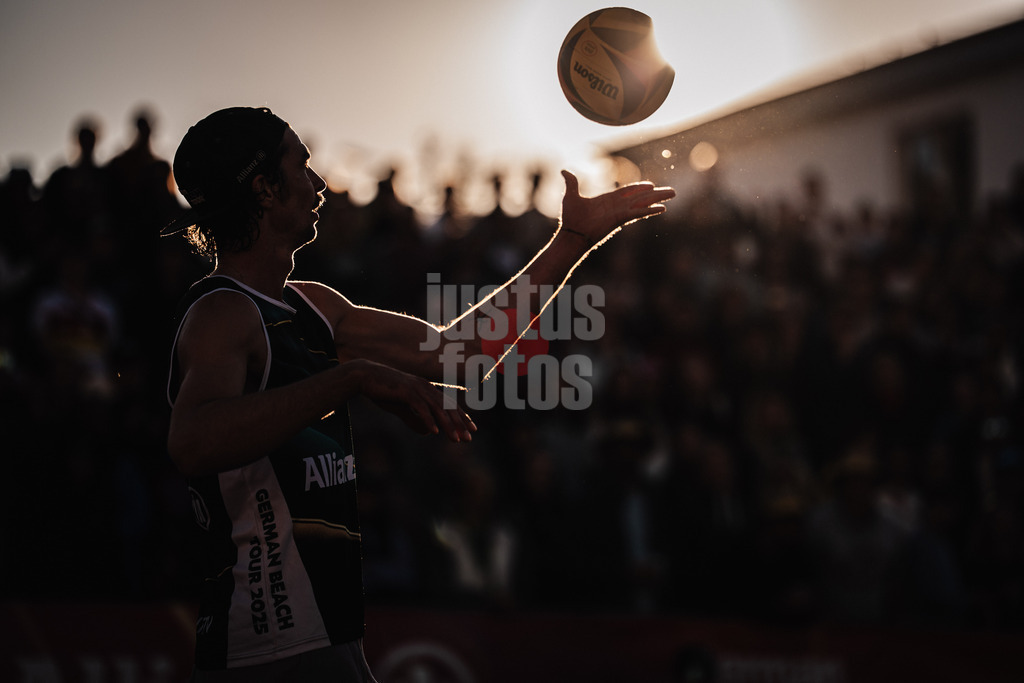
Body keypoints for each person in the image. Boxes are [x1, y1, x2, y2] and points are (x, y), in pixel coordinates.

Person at [163, 106, 674, 681]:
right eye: (302, 167)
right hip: (263, 648)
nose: (320, 184)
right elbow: (193, 442)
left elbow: (464, 353)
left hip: (323, 641)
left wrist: (572, 240)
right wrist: (348, 378)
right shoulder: (223, 313)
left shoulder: (313, 307)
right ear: (263, 188)